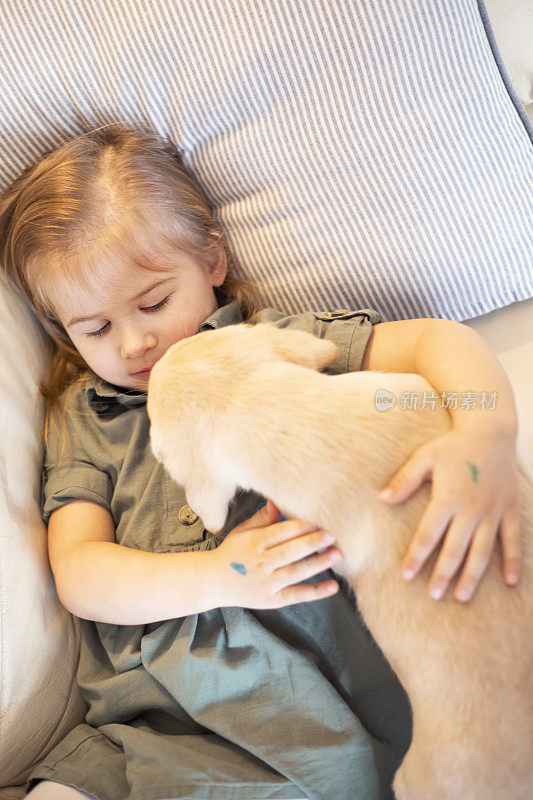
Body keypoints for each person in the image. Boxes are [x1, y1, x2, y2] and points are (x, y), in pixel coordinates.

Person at [0, 124, 520, 800]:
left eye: (154, 301)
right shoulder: (86, 415)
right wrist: (215, 575)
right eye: (93, 329)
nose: (133, 343)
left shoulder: (271, 347)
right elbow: (80, 573)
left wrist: (485, 437)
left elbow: (434, 344)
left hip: (320, 731)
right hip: (154, 727)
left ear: (211, 263)